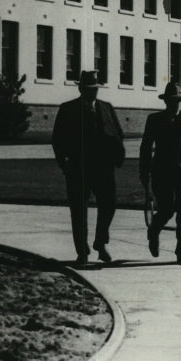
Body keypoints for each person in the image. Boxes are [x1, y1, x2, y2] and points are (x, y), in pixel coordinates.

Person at [52, 70, 125, 264]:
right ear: (80, 88)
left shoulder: (106, 108)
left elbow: (118, 133)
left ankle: (100, 242)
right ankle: (82, 251)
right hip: (78, 168)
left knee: (109, 205)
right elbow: (57, 139)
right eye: (88, 89)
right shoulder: (68, 109)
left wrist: (118, 156)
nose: (93, 92)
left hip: (103, 168)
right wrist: (64, 164)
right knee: (78, 211)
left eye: (95, 88)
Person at [139, 81, 181, 265]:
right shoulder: (154, 120)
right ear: (166, 102)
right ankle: (154, 230)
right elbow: (146, 148)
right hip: (161, 171)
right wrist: (144, 173)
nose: (175, 104)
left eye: (178, 100)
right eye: (171, 100)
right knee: (167, 209)